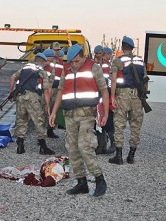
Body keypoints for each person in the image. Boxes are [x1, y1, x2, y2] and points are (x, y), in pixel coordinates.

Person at [49, 44, 109, 197]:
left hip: (87, 114)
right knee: (72, 148)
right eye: (72, 62)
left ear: (83, 57)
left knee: (85, 145)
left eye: (77, 61)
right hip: (69, 114)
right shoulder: (66, 69)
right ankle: (81, 182)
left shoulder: (94, 68)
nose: (74, 65)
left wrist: (105, 112)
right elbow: (61, 91)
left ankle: (99, 179)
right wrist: (53, 112)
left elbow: (103, 90)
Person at [109, 36, 148, 165]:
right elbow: (145, 79)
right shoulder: (140, 61)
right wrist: (143, 96)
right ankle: (131, 155)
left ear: (122, 47)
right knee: (135, 125)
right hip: (137, 96)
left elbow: (113, 79)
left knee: (119, 125)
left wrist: (112, 96)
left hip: (122, 95)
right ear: (132, 48)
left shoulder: (118, 61)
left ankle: (118, 156)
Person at [9, 52, 55, 155]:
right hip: (32, 98)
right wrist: (47, 105)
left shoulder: (24, 68)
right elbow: (46, 90)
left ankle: (20, 146)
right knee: (39, 120)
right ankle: (43, 147)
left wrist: (11, 93)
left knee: (22, 120)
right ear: (42, 62)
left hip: (20, 97)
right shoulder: (41, 71)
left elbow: (12, 78)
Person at [95, 46, 115, 155]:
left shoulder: (106, 65)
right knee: (98, 119)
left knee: (107, 119)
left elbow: (109, 81)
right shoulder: (97, 65)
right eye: (98, 53)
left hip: (104, 94)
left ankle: (112, 143)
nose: (100, 55)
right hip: (98, 95)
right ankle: (102, 144)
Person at [42, 48, 64, 138]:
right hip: (46, 90)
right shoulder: (46, 64)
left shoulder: (61, 64)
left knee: (53, 109)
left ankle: (50, 129)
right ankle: (42, 133)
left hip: (56, 89)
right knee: (45, 110)